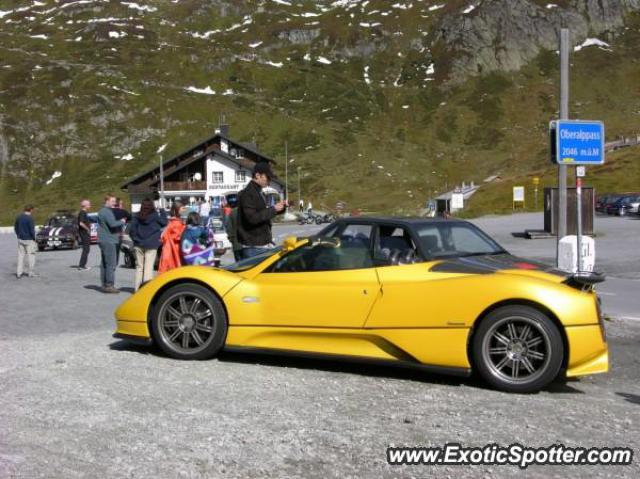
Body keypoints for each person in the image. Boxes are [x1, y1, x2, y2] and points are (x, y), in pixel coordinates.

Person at [237, 162, 286, 259]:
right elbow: (252, 218)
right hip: (254, 247)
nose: (269, 181)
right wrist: (273, 209)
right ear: (257, 175)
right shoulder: (248, 193)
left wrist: (280, 208)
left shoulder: (259, 192)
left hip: (261, 245)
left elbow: (263, 213)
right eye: (267, 177)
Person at [130, 198, 167, 291]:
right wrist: (162, 210)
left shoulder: (136, 216)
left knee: (139, 267)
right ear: (152, 206)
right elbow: (164, 222)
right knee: (148, 268)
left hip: (138, 244)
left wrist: (135, 239)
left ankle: (137, 289)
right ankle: (146, 290)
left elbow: (131, 230)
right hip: (151, 244)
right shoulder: (155, 216)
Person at [97, 194, 125, 293]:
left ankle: (104, 284)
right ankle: (109, 285)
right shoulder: (107, 212)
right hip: (109, 240)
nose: (114, 203)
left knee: (104, 263)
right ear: (107, 201)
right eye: (112, 201)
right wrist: (122, 221)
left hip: (103, 239)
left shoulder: (102, 211)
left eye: (114, 201)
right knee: (111, 263)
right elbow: (113, 224)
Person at [158, 203, 186, 273]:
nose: (184, 210)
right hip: (174, 249)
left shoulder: (172, 222)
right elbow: (177, 236)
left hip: (170, 249)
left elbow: (163, 236)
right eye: (182, 208)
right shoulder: (176, 223)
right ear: (177, 209)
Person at [14, 204, 37, 278]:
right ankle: (31, 273)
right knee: (31, 256)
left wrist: (18, 235)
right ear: (31, 210)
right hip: (29, 240)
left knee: (20, 256)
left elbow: (16, 228)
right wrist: (34, 239)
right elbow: (31, 230)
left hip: (21, 239)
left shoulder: (19, 217)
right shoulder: (30, 218)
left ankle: (19, 273)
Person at [112, 198, 131, 266]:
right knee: (116, 250)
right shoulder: (122, 211)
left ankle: (109, 261)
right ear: (119, 204)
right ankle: (115, 263)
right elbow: (130, 218)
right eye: (122, 204)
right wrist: (125, 221)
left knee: (110, 249)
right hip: (118, 233)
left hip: (109, 233)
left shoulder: (109, 211)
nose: (122, 205)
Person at [223, 196, 241, 262]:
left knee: (240, 265)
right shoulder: (247, 211)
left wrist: (232, 240)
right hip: (249, 245)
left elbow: (229, 228)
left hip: (237, 244)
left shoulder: (232, 212)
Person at [77, 199, 92, 270]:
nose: (90, 205)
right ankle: (82, 265)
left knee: (86, 249)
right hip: (84, 233)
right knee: (86, 249)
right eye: (89, 204)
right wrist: (88, 229)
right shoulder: (82, 212)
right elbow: (81, 223)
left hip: (84, 233)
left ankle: (82, 265)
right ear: (85, 205)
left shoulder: (84, 212)